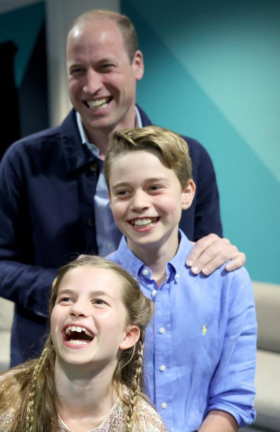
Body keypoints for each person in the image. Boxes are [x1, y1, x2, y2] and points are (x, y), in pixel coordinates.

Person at [0, 9, 247, 367]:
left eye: (105, 66)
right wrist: (67, 289)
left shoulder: (191, 157)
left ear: (136, 64)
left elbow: (204, 255)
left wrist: (220, 253)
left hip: (163, 359)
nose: (91, 86)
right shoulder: (24, 160)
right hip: (51, 359)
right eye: (77, 71)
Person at [105, 126, 256, 431]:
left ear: (187, 193)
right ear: (109, 199)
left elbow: (232, 398)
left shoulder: (228, 281)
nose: (138, 203)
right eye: (123, 192)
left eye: (155, 188)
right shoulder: (96, 283)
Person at [0, 256, 165, 432]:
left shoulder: (144, 424)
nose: (77, 309)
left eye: (99, 302)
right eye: (66, 299)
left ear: (128, 335)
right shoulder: (7, 399)